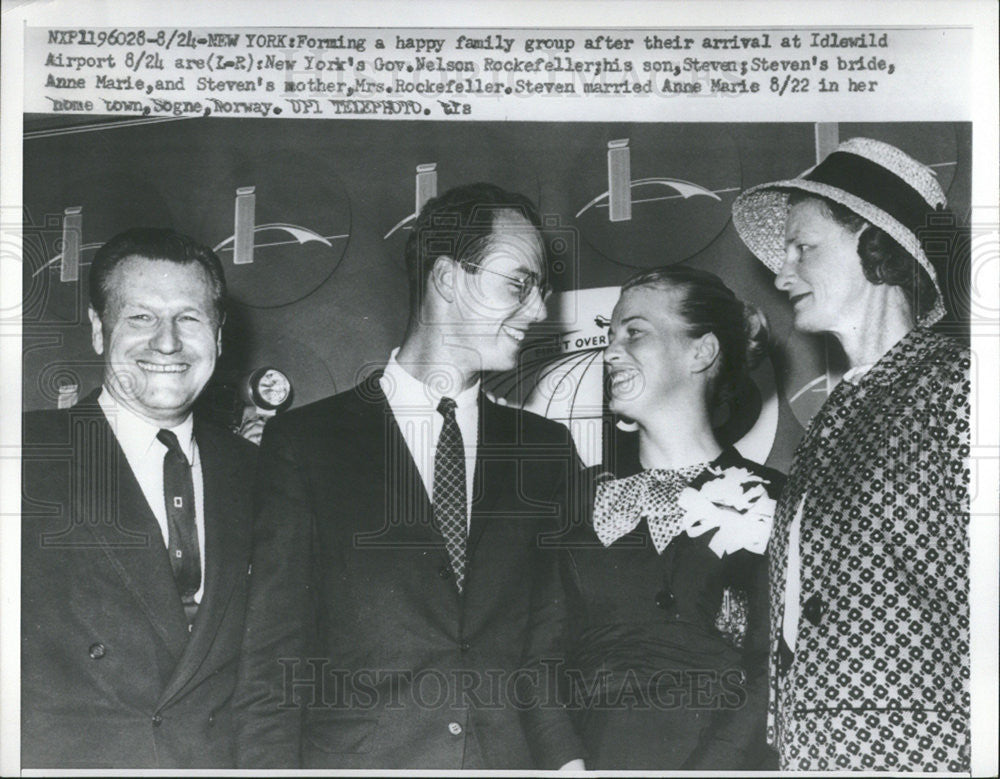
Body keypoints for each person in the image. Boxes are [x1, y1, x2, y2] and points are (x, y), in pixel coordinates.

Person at [233, 183, 584, 769]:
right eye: (519, 283)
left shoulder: (545, 452)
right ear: (447, 278)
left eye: (540, 290)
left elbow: (545, 651)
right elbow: (273, 662)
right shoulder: (307, 443)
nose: (539, 310)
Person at [731, 137, 971, 771]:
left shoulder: (958, 386)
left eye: (803, 248)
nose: (782, 276)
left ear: (874, 245)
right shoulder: (837, 416)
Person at [522, 266, 784, 770]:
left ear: (701, 352)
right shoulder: (576, 497)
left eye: (634, 333)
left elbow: (770, 667)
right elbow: (539, 660)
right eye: (610, 335)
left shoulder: (775, 497)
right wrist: (567, 763)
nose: (610, 352)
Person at [21, 228, 257, 768]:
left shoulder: (261, 475)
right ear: (100, 330)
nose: (168, 341)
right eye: (141, 317)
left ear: (220, 336)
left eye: (190, 317)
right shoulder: (24, 457)